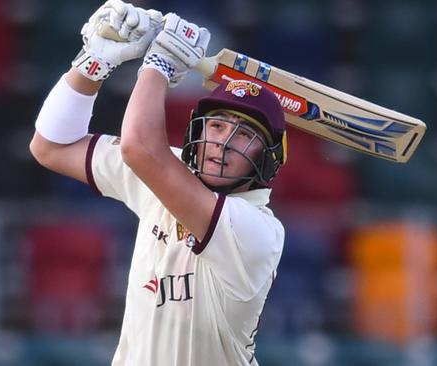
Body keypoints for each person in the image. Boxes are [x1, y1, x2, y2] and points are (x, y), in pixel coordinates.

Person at [29, 1, 288, 364]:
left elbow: (138, 147)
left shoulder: (255, 230)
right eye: (216, 125)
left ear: (269, 156)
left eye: (245, 134)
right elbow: (50, 146)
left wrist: (160, 64)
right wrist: (95, 61)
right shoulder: (171, 167)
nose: (224, 143)